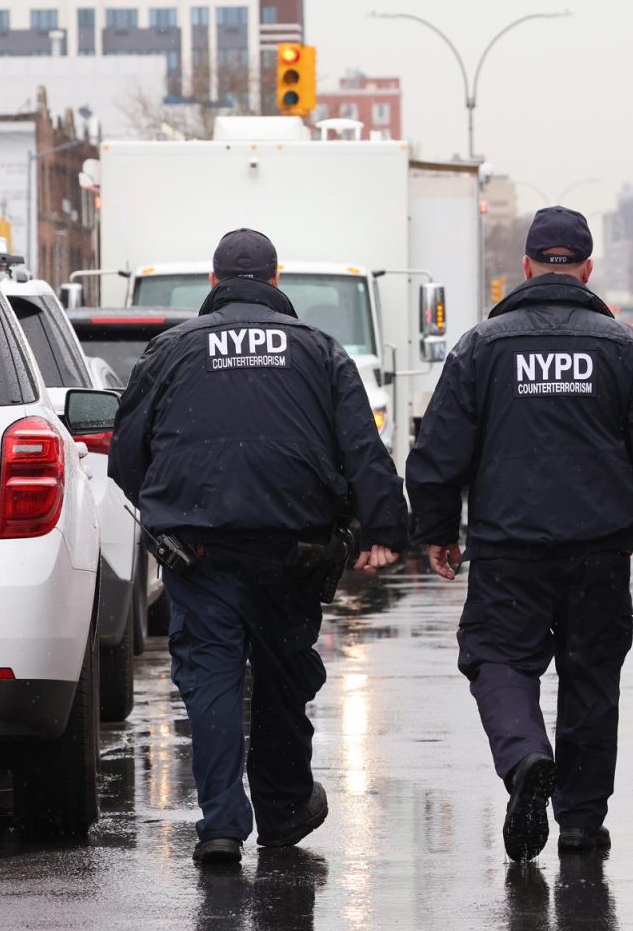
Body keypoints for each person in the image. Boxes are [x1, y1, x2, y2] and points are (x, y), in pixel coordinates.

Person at [406, 205, 633, 861]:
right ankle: (580, 822)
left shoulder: (481, 348)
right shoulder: (625, 347)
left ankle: (523, 758)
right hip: (599, 547)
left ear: (526, 266)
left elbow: (438, 450)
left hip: (509, 545)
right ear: (587, 267)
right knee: (592, 678)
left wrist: (435, 530)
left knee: (497, 658)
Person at [110, 229, 408, 866]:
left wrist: (169, 512)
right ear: (278, 281)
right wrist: (384, 529)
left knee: (211, 682)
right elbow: (363, 451)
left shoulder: (171, 351)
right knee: (281, 680)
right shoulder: (320, 351)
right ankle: (282, 809)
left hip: (200, 551)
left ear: (212, 283)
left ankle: (220, 824)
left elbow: (125, 456)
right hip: (292, 552)